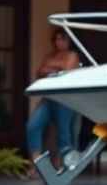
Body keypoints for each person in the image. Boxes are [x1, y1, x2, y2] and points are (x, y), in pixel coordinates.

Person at [25, 28, 80, 176]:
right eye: (57, 39)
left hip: (65, 99)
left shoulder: (72, 55)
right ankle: (37, 164)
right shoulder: (50, 55)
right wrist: (56, 67)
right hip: (48, 98)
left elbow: (67, 70)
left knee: (63, 134)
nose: (59, 42)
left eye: (63, 39)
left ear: (68, 41)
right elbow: (39, 72)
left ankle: (66, 167)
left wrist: (51, 67)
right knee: (32, 126)